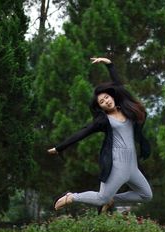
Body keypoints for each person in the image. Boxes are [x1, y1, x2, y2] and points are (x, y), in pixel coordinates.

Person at [48, 57, 152, 211]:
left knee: (146, 195)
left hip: (132, 165)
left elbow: (119, 86)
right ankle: (71, 197)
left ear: (112, 97)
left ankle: (112, 200)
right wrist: (59, 148)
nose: (106, 101)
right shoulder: (104, 121)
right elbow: (83, 132)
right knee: (100, 198)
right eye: (102, 102)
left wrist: (110, 64)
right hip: (117, 164)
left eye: (106, 98)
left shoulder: (127, 110)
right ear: (101, 107)